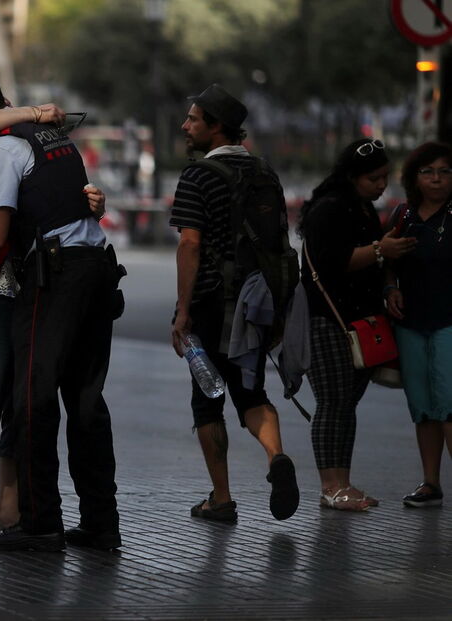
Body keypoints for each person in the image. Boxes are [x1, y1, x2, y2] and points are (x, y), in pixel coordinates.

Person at [0, 66, 123, 553]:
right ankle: (100, 522)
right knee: (86, 402)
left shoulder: (0, 149)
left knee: (32, 400)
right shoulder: (52, 137)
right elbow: (70, 202)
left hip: (57, 275)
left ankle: (39, 523)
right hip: (98, 265)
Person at [169, 84, 299, 522]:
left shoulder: (198, 176)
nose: (185, 126)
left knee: (207, 398)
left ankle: (221, 498)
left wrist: (183, 312)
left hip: (209, 303)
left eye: (193, 119)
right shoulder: (266, 174)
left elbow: (189, 246)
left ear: (216, 126)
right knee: (251, 391)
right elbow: (279, 244)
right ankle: (276, 457)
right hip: (258, 303)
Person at [299, 138, 416, 512]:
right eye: (373, 179)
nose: (381, 185)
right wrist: (382, 250)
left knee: (345, 405)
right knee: (333, 403)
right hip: (327, 322)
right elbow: (334, 263)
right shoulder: (329, 210)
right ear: (352, 176)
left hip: (358, 323)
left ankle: (343, 483)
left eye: (384, 177)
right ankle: (331, 486)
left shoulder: (362, 208)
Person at [385, 141, 452, 508]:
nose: (437, 179)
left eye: (445, 171)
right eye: (428, 172)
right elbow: (387, 260)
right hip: (410, 323)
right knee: (424, 407)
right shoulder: (403, 214)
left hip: (449, 322)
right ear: (414, 178)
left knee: (450, 405)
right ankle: (430, 483)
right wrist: (390, 287)